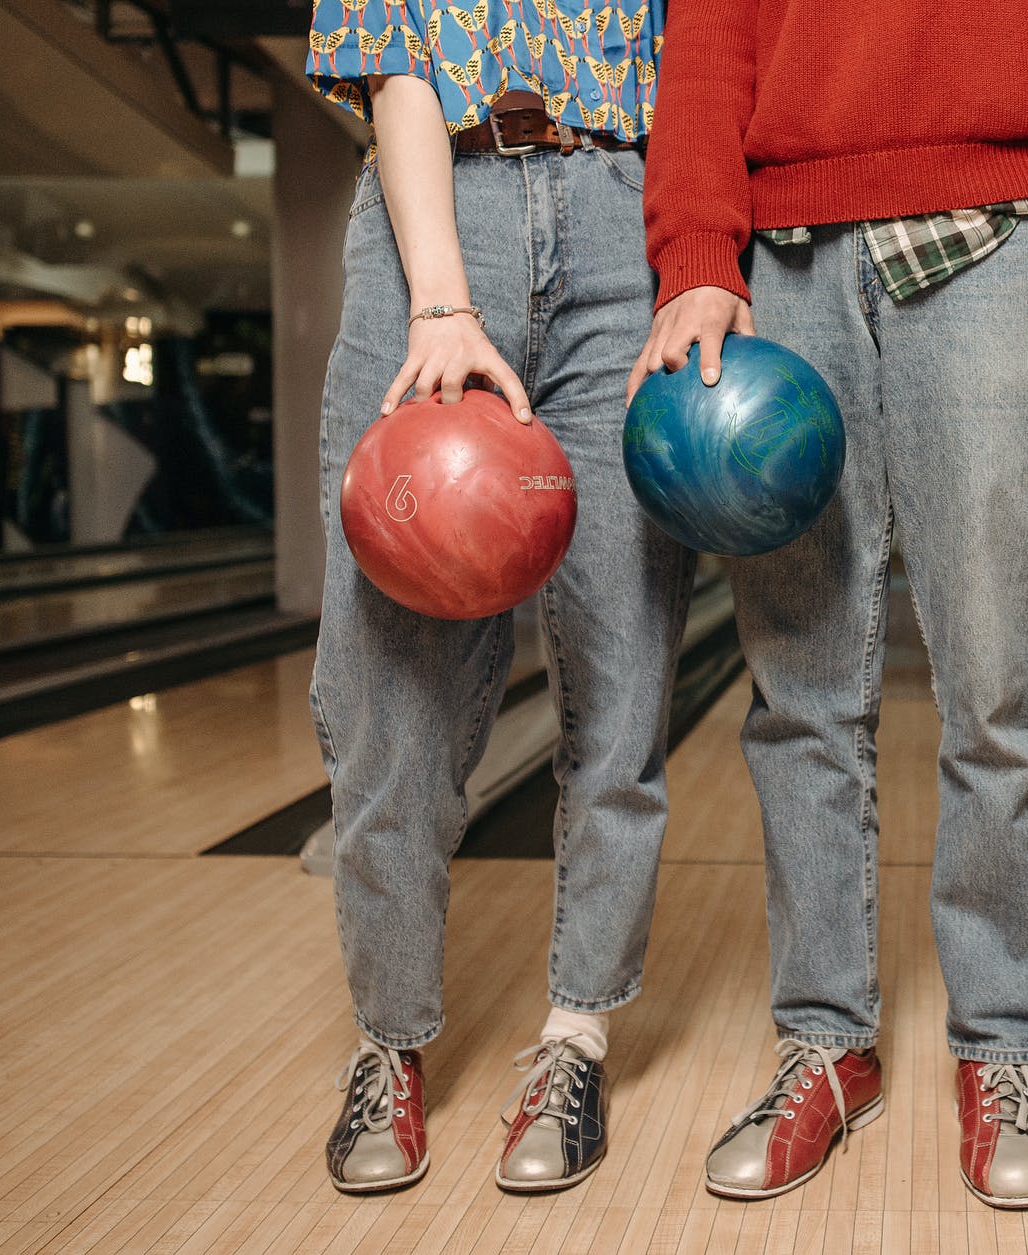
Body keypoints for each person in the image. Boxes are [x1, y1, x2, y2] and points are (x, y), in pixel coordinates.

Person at [632, 0, 1028, 1209]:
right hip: (783, 264)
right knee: (800, 700)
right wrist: (693, 255)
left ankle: (1001, 1052)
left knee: (995, 693)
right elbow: (707, 40)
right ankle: (825, 1045)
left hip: (997, 241)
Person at [305, 0, 693, 1194]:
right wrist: (441, 299)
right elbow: (393, 52)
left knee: (621, 678)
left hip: (626, 228)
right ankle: (390, 1039)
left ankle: (576, 1035)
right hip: (437, 208)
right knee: (390, 697)